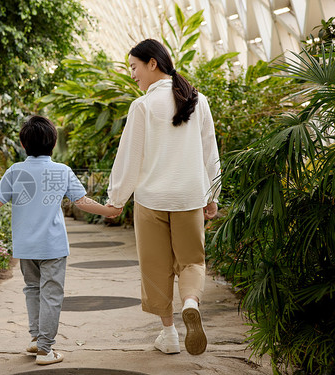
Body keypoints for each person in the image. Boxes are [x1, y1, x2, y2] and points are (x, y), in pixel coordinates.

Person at [0, 115, 122, 365]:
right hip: (53, 246)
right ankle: (46, 349)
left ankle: (36, 338)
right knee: (51, 294)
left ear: (24, 144)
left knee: (32, 290)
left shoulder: (15, 171)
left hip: (26, 247)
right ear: (52, 142)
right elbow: (82, 202)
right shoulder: (62, 171)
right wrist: (109, 210)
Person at [106, 39, 221, 356]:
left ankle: (169, 334)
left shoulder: (143, 106)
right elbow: (210, 152)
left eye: (134, 67)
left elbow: (130, 158)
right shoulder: (199, 101)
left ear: (152, 63)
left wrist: (117, 199)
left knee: (155, 268)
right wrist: (212, 194)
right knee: (192, 262)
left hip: (151, 200)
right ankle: (190, 302)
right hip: (189, 197)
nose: (133, 75)